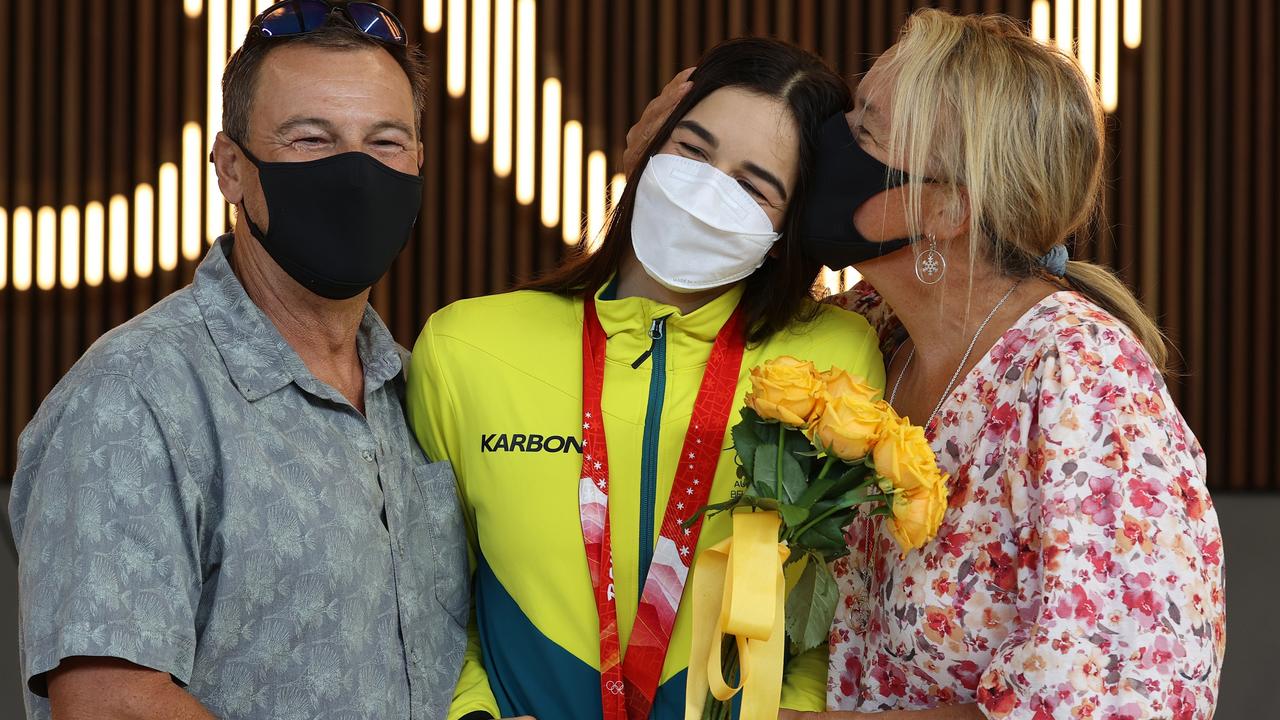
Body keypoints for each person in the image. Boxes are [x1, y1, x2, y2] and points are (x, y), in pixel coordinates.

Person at [8, 2, 467, 718]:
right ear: (230, 169)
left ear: (418, 164)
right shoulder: (135, 395)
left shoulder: (424, 394)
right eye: (311, 139)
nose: (354, 172)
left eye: (385, 143)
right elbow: (111, 703)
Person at [407, 38, 884, 720]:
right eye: (692, 148)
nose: (707, 188)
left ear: (786, 228)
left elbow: (831, 608)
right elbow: (427, 602)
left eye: (753, 184)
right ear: (647, 148)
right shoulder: (465, 346)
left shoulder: (832, 361)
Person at [793, 10, 1223, 719]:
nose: (823, 147)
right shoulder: (868, 331)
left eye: (864, 133)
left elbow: (1114, 696)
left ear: (946, 209)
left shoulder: (1081, 378)